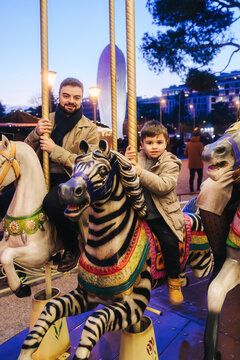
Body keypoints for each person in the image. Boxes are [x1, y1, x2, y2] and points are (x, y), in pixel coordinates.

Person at [25, 77, 99, 272]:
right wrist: (35, 133)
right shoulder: (46, 118)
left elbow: (88, 163)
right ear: (59, 96)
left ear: (81, 99)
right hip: (41, 174)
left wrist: (55, 150)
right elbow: (26, 151)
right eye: (66, 96)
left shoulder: (90, 128)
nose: (71, 101)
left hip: (71, 178)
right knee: (8, 196)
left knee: (51, 202)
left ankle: (71, 247)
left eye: (76, 97)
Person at [125, 120, 185, 305]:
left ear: (166, 142)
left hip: (162, 215)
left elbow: (164, 185)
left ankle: (174, 280)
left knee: (168, 241)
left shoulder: (171, 162)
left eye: (159, 142)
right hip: (139, 213)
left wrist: (140, 172)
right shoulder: (137, 158)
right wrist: (125, 160)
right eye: (149, 143)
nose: (154, 147)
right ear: (141, 144)